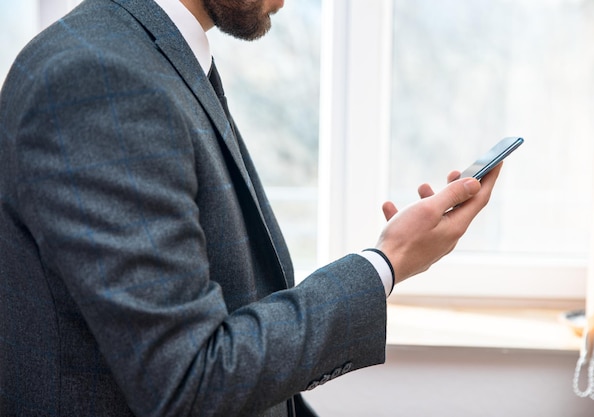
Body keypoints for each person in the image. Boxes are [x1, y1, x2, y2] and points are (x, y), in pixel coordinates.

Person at [0, 0, 501, 416]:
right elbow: (190, 382)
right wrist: (385, 264)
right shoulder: (97, 77)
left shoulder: (152, 57)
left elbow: (230, 309)